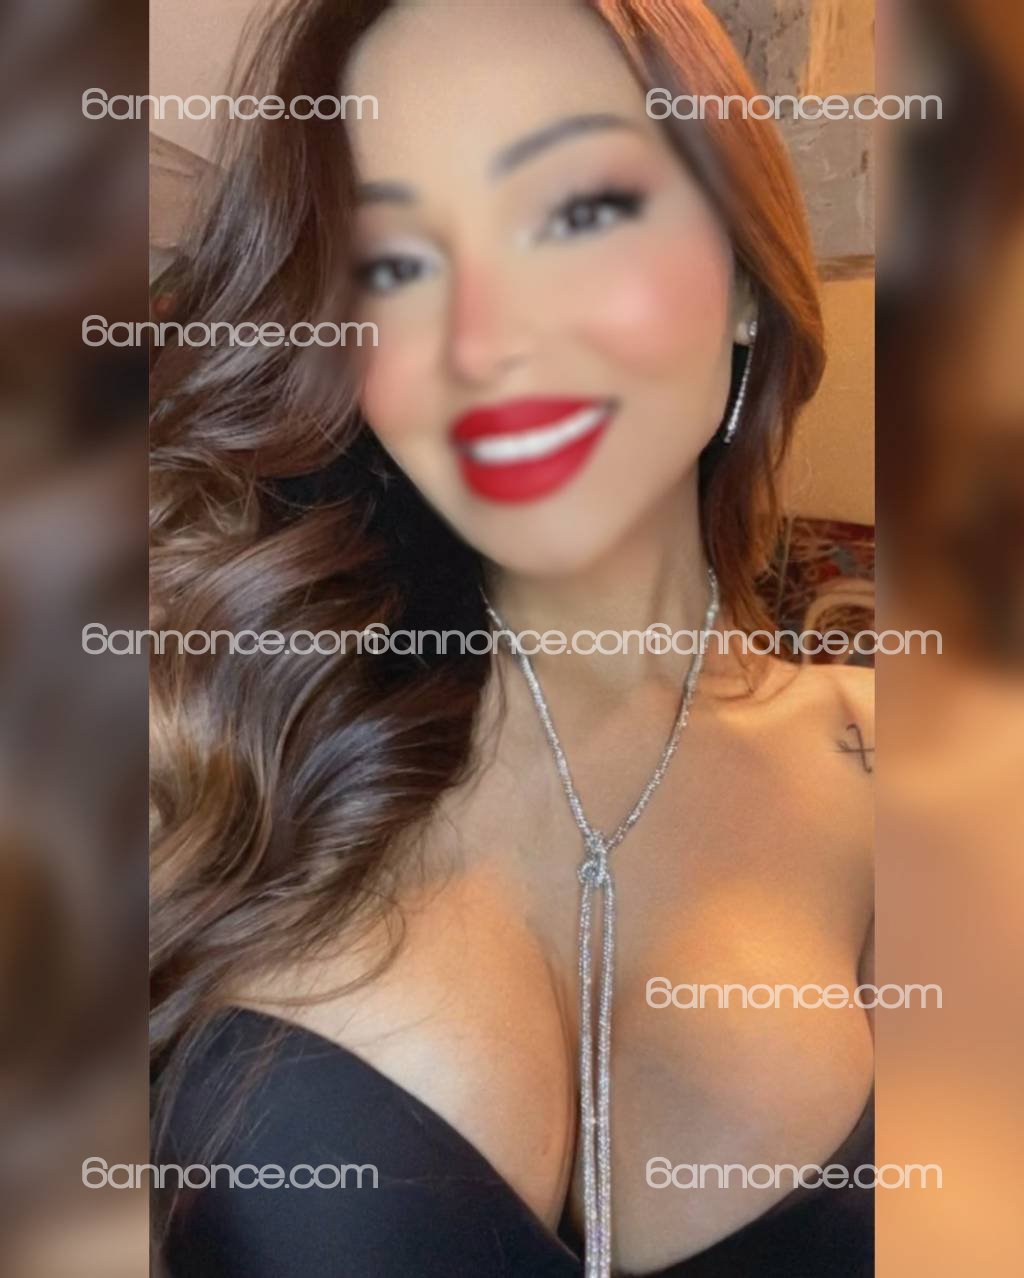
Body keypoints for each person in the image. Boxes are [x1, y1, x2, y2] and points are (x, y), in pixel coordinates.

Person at [150, 2, 874, 1274]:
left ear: (746, 281)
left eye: (577, 213)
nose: (479, 343)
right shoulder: (213, 722)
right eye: (392, 265)